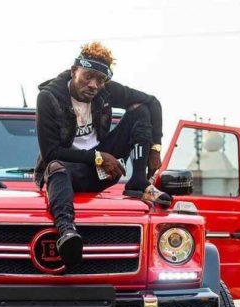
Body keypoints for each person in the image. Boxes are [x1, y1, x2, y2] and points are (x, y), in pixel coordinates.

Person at [34, 41, 171, 268]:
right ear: (73, 72)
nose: (93, 85)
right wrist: (98, 157)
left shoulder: (105, 91)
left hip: (102, 171)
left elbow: (152, 102)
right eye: (87, 76)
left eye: (100, 79)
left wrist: (155, 148)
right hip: (66, 171)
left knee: (140, 110)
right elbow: (51, 152)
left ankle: (138, 183)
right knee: (56, 166)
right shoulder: (49, 97)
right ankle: (67, 232)